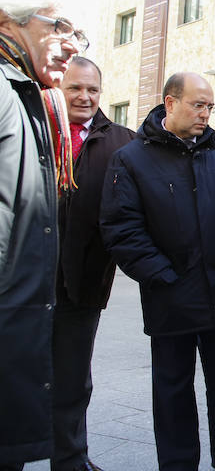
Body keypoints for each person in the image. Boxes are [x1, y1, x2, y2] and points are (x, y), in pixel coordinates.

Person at [99, 72, 215, 471]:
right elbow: (122, 228)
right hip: (171, 298)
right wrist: (163, 277)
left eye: (210, 107)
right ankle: (178, 463)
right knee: (172, 391)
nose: (206, 114)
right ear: (170, 103)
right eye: (198, 105)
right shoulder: (131, 158)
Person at [0, 0, 89, 469]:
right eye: (60, 27)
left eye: (79, 36)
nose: (71, 46)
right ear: (8, 21)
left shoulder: (29, 97)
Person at [54, 57, 134, 471]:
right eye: (75, 89)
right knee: (14, 374)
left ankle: (70, 459)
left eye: (92, 90)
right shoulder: (35, 131)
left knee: (73, 377)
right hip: (24, 281)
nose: (84, 97)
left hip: (83, 280)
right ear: (58, 88)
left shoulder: (123, 141)